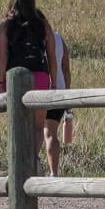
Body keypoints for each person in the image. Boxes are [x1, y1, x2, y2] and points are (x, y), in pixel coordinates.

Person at [0, 0, 58, 164]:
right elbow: (52, 56)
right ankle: (32, 158)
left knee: (17, 124)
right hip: (40, 76)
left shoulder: (4, 28)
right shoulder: (43, 25)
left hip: (14, 78)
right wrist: (53, 82)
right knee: (38, 126)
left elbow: (3, 58)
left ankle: (19, 160)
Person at [43, 28, 73, 177]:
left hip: (38, 89)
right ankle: (53, 172)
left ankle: (32, 168)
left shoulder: (30, 38)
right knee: (51, 132)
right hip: (59, 91)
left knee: (33, 132)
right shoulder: (58, 38)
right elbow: (65, 68)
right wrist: (68, 93)